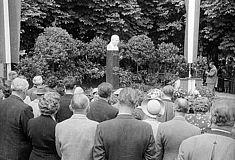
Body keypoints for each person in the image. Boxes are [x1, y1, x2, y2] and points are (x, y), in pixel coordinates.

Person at [93, 87, 157, 160]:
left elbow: (98, 157)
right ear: (136, 103)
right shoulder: (146, 128)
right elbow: (151, 157)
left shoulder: (102, 127)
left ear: (118, 101)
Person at [55, 94, 98, 160]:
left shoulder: (59, 126)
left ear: (70, 107)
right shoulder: (96, 126)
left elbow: (59, 152)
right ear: (88, 108)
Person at [0, 77, 34, 160]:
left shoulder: (2, 103)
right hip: (18, 153)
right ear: (25, 90)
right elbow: (29, 133)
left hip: (2, 151)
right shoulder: (25, 109)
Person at [27, 92, 61, 160]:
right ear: (56, 108)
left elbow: (29, 141)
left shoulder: (31, 122)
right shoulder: (57, 126)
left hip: (34, 156)